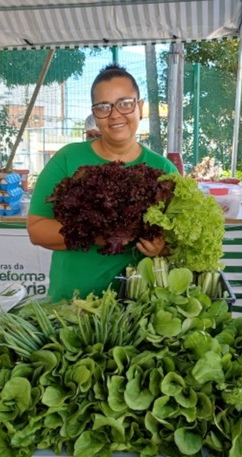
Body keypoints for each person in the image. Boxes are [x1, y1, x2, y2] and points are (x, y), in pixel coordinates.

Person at [27, 64, 178, 301]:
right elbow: (37, 229)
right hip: (72, 301)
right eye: (103, 107)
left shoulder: (164, 170)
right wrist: (97, 234)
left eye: (125, 103)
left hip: (137, 304)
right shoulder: (68, 159)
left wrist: (162, 249)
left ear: (139, 107)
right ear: (94, 114)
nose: (115, 114)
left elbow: (178, 240)